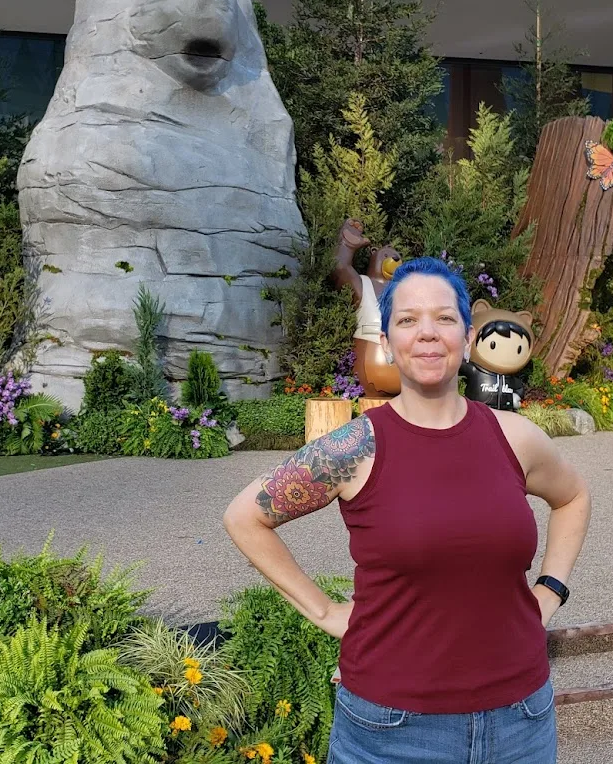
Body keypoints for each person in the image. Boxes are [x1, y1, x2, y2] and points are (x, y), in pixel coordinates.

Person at [223, 256, 591, 764]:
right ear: (387, 343)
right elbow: (246, 516)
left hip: (520, 722)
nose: (427, 333)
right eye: (407, 319)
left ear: (467, 337)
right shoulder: (354, 449)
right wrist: (327, 612)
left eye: (444, 318)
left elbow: (572, 497)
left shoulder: (516, 438)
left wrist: (550, 589)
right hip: (390, 731)